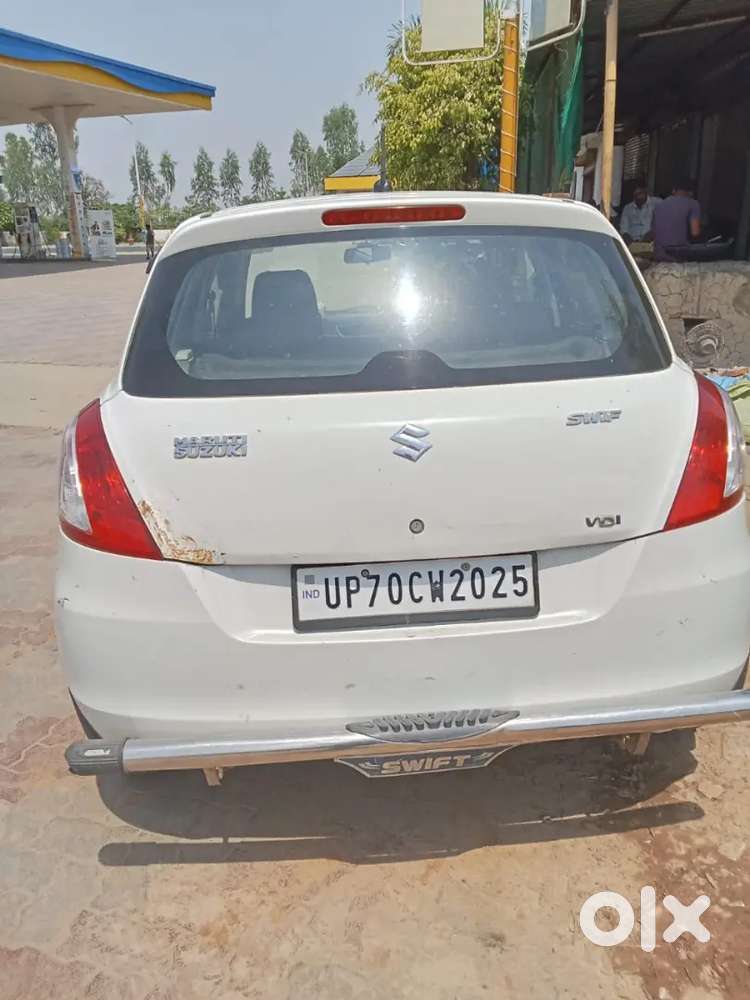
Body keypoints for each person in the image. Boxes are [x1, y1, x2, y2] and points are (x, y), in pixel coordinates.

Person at [651, 178, 701, 261]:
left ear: (673, 191)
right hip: (678, 257)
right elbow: (695, 233)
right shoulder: (693, 204)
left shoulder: (658, 205)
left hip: (658, 255)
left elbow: (653, 233)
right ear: (691, 192)